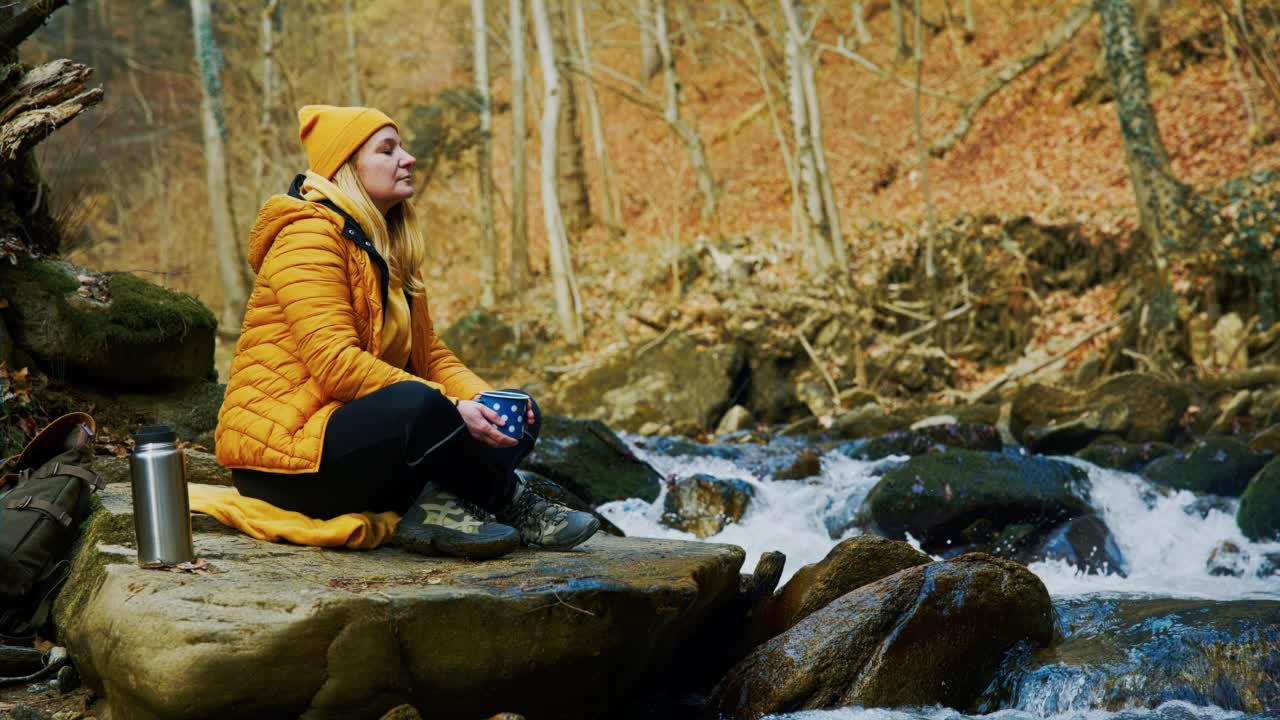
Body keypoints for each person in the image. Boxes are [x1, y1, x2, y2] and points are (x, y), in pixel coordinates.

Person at [214, 105, 599, 559]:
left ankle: (442, 506)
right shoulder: (308, 238)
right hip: (290, 460)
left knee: (518, 411)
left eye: (403, 147)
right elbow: (335, 364)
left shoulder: (386, 245)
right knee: (421, 405)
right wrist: (452, 408)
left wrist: (477, 401)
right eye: (388, 149)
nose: (409, 158)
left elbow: (429, 354)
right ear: (347, 168)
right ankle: (511, 502)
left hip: (357, 442)